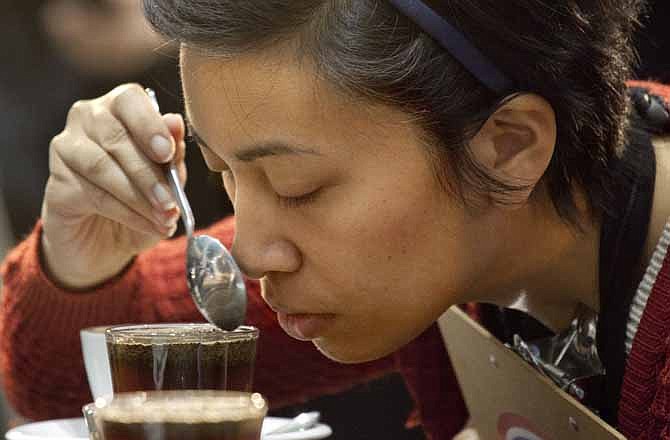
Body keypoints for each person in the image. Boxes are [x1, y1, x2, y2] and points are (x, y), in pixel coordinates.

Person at [0, 0, 666, 438]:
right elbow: (60, 377)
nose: (251, 253)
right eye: (221, 175)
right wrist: (79, 251)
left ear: (510, 145)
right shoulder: (453, 235)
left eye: (299, 187)